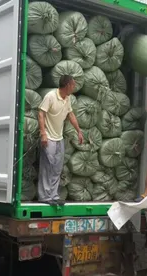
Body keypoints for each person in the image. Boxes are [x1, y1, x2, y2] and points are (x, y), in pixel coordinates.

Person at [38, 75, 83, 206]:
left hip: (59, 138)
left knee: (57, 168)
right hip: (49, 138)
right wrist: (43, 133)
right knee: (48, 167)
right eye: (73, 85)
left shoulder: (67, 99)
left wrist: (79, 131)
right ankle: (45, 196)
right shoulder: (51, 96)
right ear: (67, 85)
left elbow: (71, 115)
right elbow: (41, 113)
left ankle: (53, 195)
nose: (74, 87)